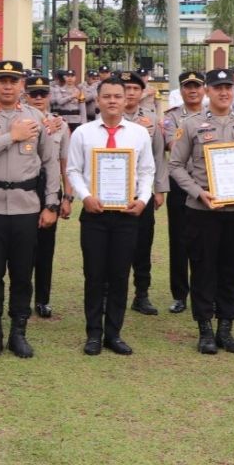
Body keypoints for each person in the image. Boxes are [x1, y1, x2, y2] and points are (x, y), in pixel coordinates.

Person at [0, 60, 60, 358]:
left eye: (13, 80)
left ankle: (19, 332)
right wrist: (12, 137)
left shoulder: (37, 117)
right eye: (2, 80)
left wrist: (52, 203)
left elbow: (50, 162)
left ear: (22, 85)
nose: (7, 86)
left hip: (26, 206)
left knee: (22, 273)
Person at [168, 68, 234, 355]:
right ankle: (205, 329)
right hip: (202, 209)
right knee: (203, 269)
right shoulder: (190, 124)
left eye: (228, 87)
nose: (223, 92)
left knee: (231, 270)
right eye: (218, 87)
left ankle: (226, 328)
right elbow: (175, 166)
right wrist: (198, 192)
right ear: (207, 91)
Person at [66, 75, 156, 356]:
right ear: (98, 100)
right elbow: (73, 170)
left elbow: (147, 171)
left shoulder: (139, 133)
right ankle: (93, 333)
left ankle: (113, 333)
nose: (113, 101)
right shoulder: (83, 133)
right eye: (107, 96)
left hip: (128, 214)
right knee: (94, 274)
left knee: (119, 274)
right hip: (94, 214)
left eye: (118, 96)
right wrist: (86, 196)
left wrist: (143, 200)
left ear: (126, 99)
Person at [119, 71, 169, 316]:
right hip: (113, 193)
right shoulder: (106, 117)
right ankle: (112, 292)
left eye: (134, 89)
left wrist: (159, 190)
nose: (130, 93)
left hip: (142, 192)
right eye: (125, 88)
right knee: (115, 245)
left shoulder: (150, 121)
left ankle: (142, 294)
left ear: (141, 93)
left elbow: (159, 155)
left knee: (143, 245)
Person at [160, 70, 206, 313]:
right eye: (188, 86)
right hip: (180, 182)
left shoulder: (213, 115)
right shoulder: (172, 117)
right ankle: (179, 294)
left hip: (207, 184)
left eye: (197, 86)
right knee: (178, 240)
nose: (193, 90)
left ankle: (203, 289)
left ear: (204, 89)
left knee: (205, 240)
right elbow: (172, 144)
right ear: (181, 90)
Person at [26, 75, 71, 318]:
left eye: (43, 93)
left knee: (45, 248)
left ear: (49, 96)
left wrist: (68, 196)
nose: (38, 98)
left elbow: (66, 163)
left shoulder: (60, 125)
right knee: (22, 247)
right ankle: (21, 297)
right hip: (23, 185)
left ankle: (42, 299)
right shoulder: (18, 122)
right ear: (26, 96)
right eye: (34, 93)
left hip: (49, 186)